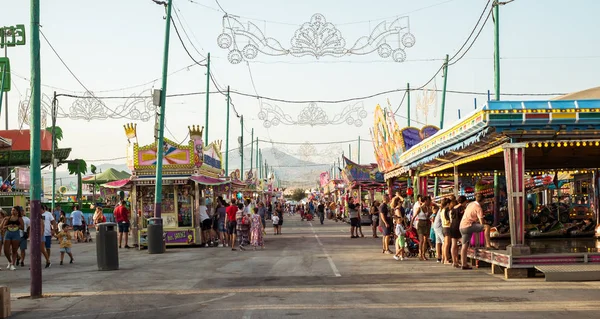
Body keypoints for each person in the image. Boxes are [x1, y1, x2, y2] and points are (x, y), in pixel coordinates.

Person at [460, 194, 491, 270]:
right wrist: (485, 222)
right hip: (469, 226)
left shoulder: (470, 204)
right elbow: (482, 223)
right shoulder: (478, 208)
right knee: (487, 227)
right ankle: (488, 244)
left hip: (462, 226)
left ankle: (464, 264)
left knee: (464, 246)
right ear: (483, 201)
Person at [411, 196, 432, 261]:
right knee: (421, 240)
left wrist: (429, 213)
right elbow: (413, 217)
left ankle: (423, 254)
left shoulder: (428, 208)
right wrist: (411, 225)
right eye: (428, 200)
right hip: (420, 223)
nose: (429, 202)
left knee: (425, 240)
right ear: (425, 201)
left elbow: (429, 216)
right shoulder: (419, 208)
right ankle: (420, 254)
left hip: (426, 224)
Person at [449, 196, 467, 269]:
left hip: (452, 226)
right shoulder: (462, 208)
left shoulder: (453, 208)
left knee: (453, 244)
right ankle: (463, 262)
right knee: (464, 243)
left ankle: (454, 262)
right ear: (464, 201)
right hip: (459, 227)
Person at [440, 198, 452, 265]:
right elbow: (449, 219)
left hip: (443, 227)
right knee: (447, 244)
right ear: (448, 204)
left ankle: (444, 258)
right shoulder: (446, 210)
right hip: (447, 227)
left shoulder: (442, 210)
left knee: (445, 244)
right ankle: (446, 259)